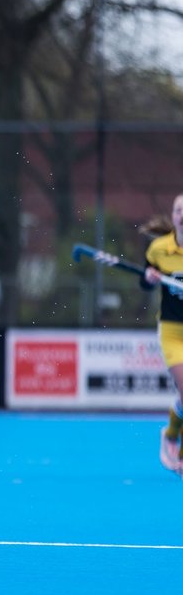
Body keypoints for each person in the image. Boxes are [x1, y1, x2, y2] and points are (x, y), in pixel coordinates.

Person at [136, 194, 183, 473]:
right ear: (174, 215)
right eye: (179, 210)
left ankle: (171, 434)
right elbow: (144, 283)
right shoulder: (158, 249)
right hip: (172, 332)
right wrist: (149, 278)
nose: (182, 215)